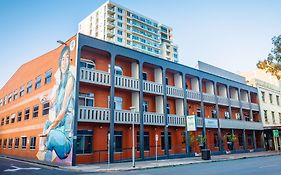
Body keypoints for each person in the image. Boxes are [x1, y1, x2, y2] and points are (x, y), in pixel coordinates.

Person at [39, 46, 75, 160]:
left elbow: (63, 111)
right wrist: (44, 99)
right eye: (62, 59)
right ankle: (44, 149)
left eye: (67, 58)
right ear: (60, 61)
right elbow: (52, 101)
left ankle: (48, 149)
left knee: (52, 131)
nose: (64, 62)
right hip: (60, 124)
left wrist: (49, 131)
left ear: (69, 62)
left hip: (65, 142)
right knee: (47, 123)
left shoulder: (70, 79)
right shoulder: (59, 85)